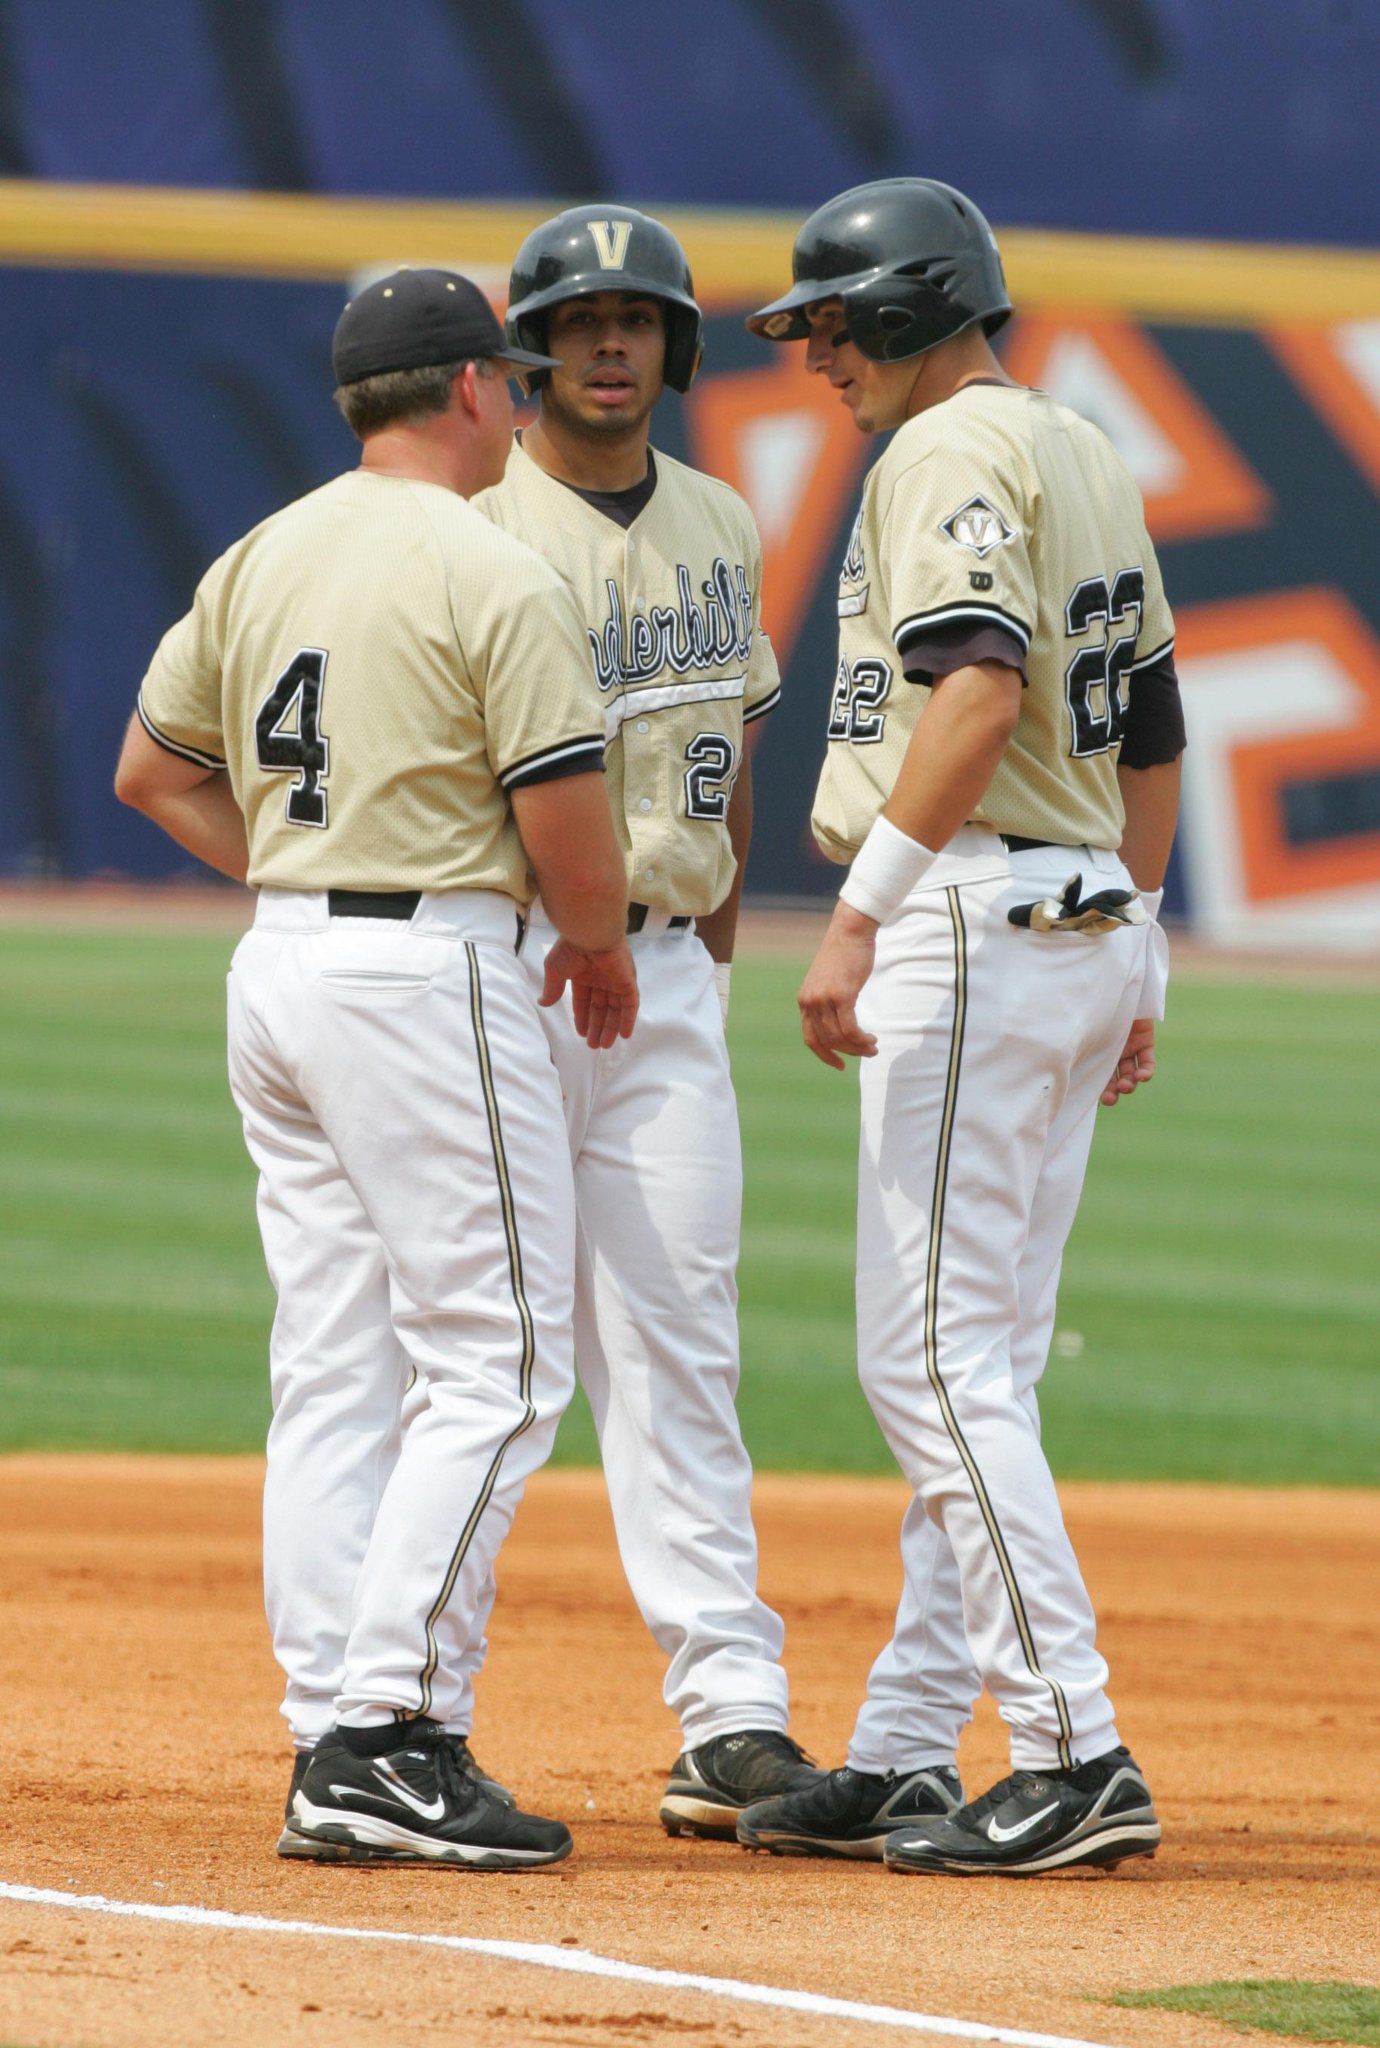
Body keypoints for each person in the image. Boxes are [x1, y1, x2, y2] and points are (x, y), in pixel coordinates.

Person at [114, 267, 639, 1870]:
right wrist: (601, 947)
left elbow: (149, 771)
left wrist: (300, 871)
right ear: (473, 389)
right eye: (516, 375)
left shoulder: (264, 548)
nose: (530, 397)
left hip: (281, 969)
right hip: (426, 973)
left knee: (337, 1362)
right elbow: (561, 809)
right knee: (498, 1361)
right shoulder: (488, 562)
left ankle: (328, 1720)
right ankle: (382, 1734)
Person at [735, 179, 1185, 1875]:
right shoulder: (1080, 446)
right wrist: (1141, 941)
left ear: (918, 307)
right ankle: (918, 1746)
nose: (819, 355)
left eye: (838, 323)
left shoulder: (941, 452)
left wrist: (861, 914)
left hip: (978, 922)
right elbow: (1149, 716)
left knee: (927, 1360)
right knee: (978, 1361)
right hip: (1076, 920)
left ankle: (1073, 1746)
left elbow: (980, 686)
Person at [460, 204, 816, 1839]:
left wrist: (715, 971)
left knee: (685, 1335)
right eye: (584, 316)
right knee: (482, 1347)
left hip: (666, 974)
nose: (615, 342)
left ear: (676, 346)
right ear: (530, 346)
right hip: (512, 971)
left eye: (643, 318)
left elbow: (725, 765)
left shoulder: (726, 522)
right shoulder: (477, 528)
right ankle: (395, 1702)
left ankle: (731, 1707)